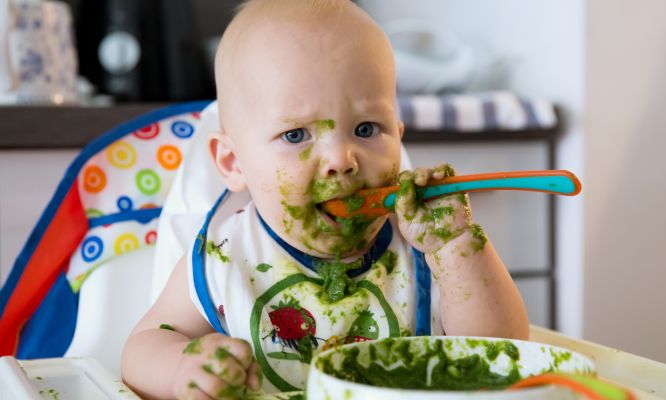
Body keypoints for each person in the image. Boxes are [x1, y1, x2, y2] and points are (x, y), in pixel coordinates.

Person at [121, 0, 529, 398]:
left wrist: (456, 246)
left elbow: (503, 353)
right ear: (233, 162)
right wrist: (181, 370)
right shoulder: (227, 255)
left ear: (398, 137)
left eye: (367, 128)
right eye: (296, 135)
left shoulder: (424, 248)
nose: (341, 159)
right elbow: (142, 349)